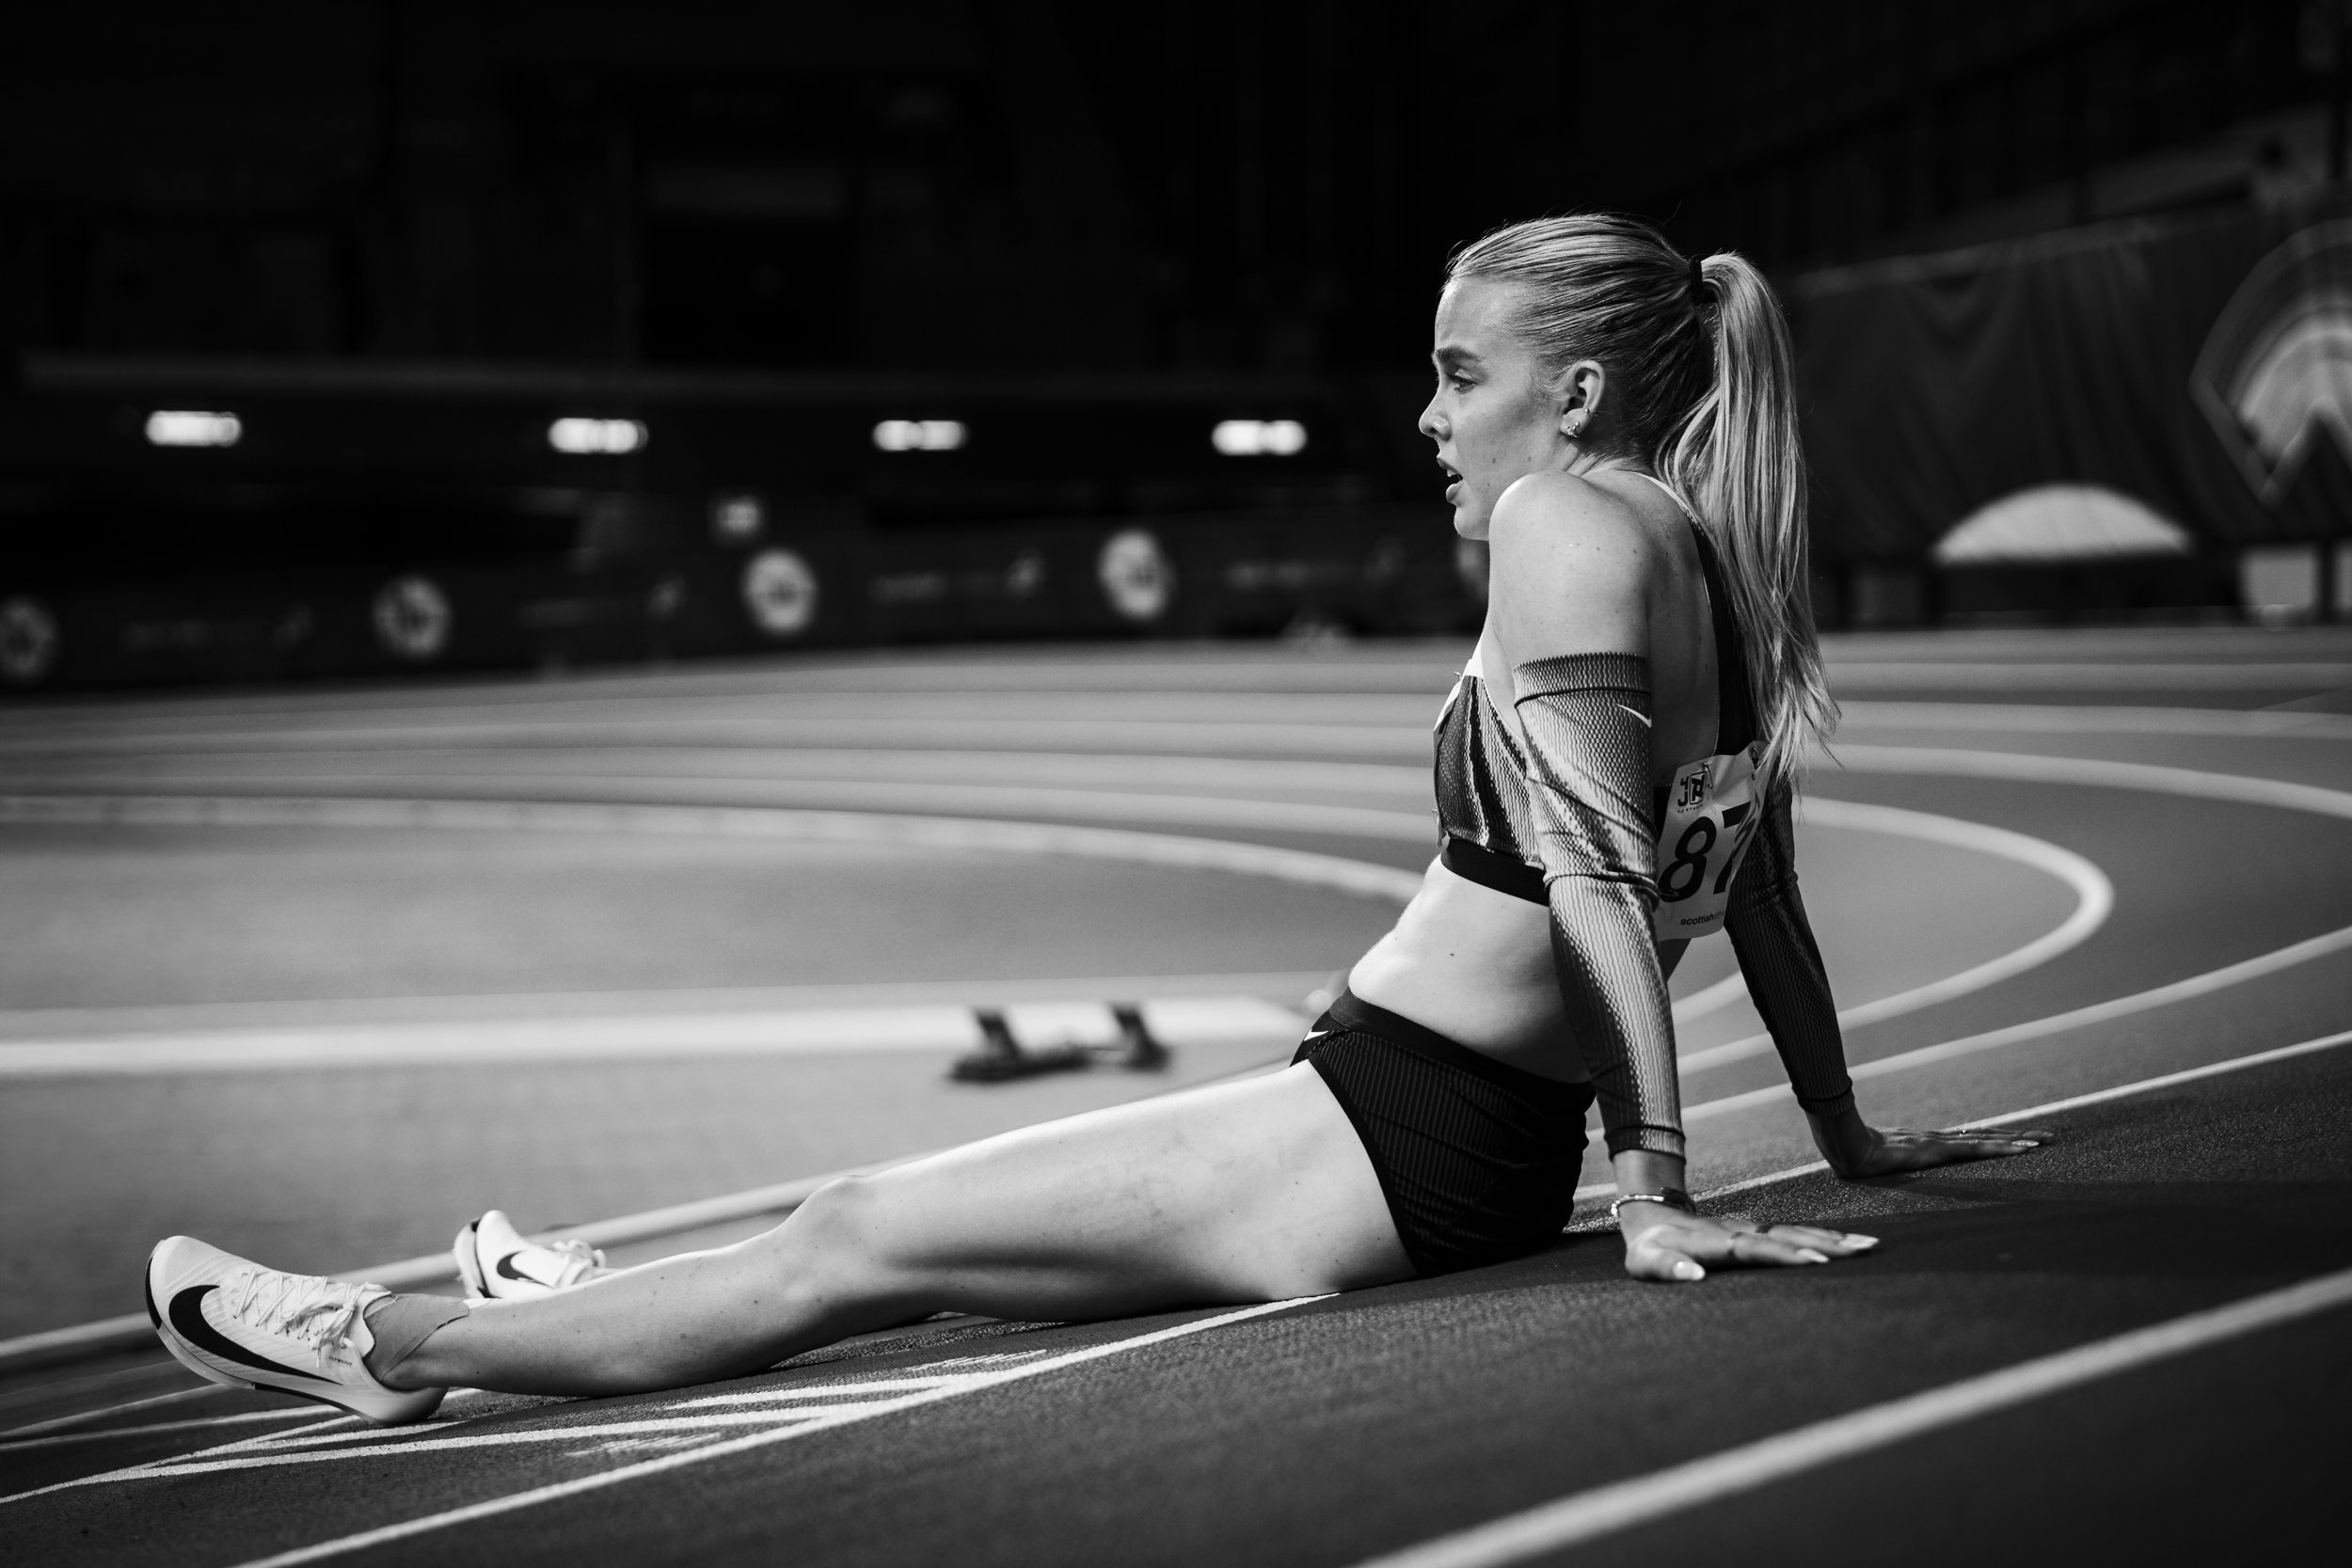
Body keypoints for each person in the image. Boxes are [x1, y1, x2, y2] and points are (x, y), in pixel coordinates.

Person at [148, 214, 2046, 1427]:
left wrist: (1655, 1183)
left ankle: (377, 1351)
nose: (1428, 419)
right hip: (1420, 1117)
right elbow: (1765, 887)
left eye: (1458, 377)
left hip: (1403, 1135)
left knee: (853, 1233)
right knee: (918, 1257)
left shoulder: (1565, 525)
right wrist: (1843, 1132)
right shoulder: (1713, 550)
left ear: (1564, 391)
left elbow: (1597, 872)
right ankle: (572, 1303)